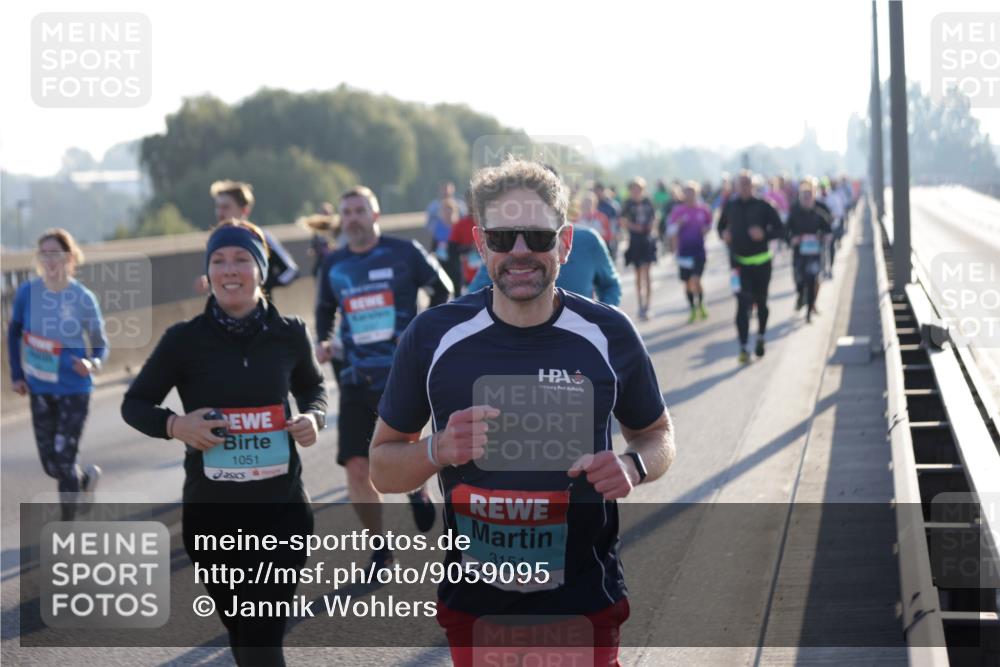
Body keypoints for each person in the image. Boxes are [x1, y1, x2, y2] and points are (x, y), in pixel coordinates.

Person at [369, 157, 674, 667]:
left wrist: (632, 465)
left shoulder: (609, 332)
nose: (519, 253)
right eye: (503, 237)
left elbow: (658, 434)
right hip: (478, 607)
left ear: (566, 241)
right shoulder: (433, 336)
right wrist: (437, 449)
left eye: (537, 236)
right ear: (480, 241)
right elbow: (381, 467)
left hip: (583, 598)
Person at [121, 219, 327, 666]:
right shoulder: (183, 340)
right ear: (208, 271)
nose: (229, 270)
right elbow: (134, 404)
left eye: (241, 259)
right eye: (218, 260)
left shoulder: (290, 332)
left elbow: (314, 388)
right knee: (242, 633)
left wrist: (314, 417)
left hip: (282, 513)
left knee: (261, 639)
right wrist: (177, 425)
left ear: (261, 269)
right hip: (212, 517)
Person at [314, 186, 453, 567]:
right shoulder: (334, 265)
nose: (354, 217)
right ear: (342, 220)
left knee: (402, 448)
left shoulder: (404, 252)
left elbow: (442, 287)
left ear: (375, 216)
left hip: (400, 373)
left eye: (361, 210)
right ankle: (378, 544)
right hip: (355, 376)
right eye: (348, 212)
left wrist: (422, 331)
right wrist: (323, 340)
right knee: (357, 465)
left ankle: (416, 489)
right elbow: (325, 310)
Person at [8, 229, 107, 520]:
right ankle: (84, 481)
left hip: (75, 388)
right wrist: (17, 374)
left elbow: (100, 343)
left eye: (56, 254)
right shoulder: (28, 292)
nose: (50, 260)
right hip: (39, 387)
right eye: (45, 254)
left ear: (70, 257)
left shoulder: (82, 297)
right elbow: (13, 332)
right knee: (51, 464)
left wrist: (93, 364)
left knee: (64, 462)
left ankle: (67, 527)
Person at [718, 171, 784, 364]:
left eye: (748, 184)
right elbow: (719, 228)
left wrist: (764, 234)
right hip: (738, 264)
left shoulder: (764, 206)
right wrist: (724, 235)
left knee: (761, 303)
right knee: (742, 304)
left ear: (753, 186)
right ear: (736, 187)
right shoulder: (730, 206)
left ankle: (761, 336)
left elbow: (780, 229)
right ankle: (744, 347)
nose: (745, 187)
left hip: (762, 263)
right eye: (741, 184)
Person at [193, 180, 300, 300]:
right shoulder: (215, 240)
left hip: (259, 314)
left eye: (226, 207)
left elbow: (291, 271)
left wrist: (263, 284)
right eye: (217, 207)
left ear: (244, 210)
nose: (220, 212)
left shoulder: (260, 237)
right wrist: (207, 281)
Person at [786, 179, 832, 323]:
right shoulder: (794, 213)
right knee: (799, 280)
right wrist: (793, 239)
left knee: (812, 281)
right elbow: (785, 231)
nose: (806, 199)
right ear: (800, 197)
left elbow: (829, 231)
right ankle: (801, 296)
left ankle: (809, 312)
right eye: (804, 196)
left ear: (813, 196)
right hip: (799, 254)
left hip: (814, 254)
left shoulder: (819, 213)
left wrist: (822, 237)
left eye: (809, 196)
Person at [668, 182, 713, 322]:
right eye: (687, 192)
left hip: (699, 251)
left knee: (696, 279)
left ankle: (701, 304)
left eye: (692, 192)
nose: (690, 195)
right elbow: (670, 231)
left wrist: (706, 229)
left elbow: (709, 224)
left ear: (697, 193)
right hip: (683, 252)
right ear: (683, 194)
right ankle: (693, 308)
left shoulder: (703, 209)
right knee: (687, 283)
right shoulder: (678, 211)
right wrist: (678, 225)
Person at [621, 177, 658, 320]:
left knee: (647, 273)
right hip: (634, 240)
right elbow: (622, 221)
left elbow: (655, 217)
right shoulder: (627, 204)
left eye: (639, 189)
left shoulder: (648, 201)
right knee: (637, 275)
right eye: (634, 189)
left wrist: (651, 226)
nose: (636, 191)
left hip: (647, 240)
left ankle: (647, 305)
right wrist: (633, 227)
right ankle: (640, 304)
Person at [594, 182, 621, 260]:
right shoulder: (593, 204)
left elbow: (615, 222)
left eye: (598, 191)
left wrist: (614, 234)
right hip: (597, 236)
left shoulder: (611, 206)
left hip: (609, 237)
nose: (597, 194)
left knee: (610, 258)